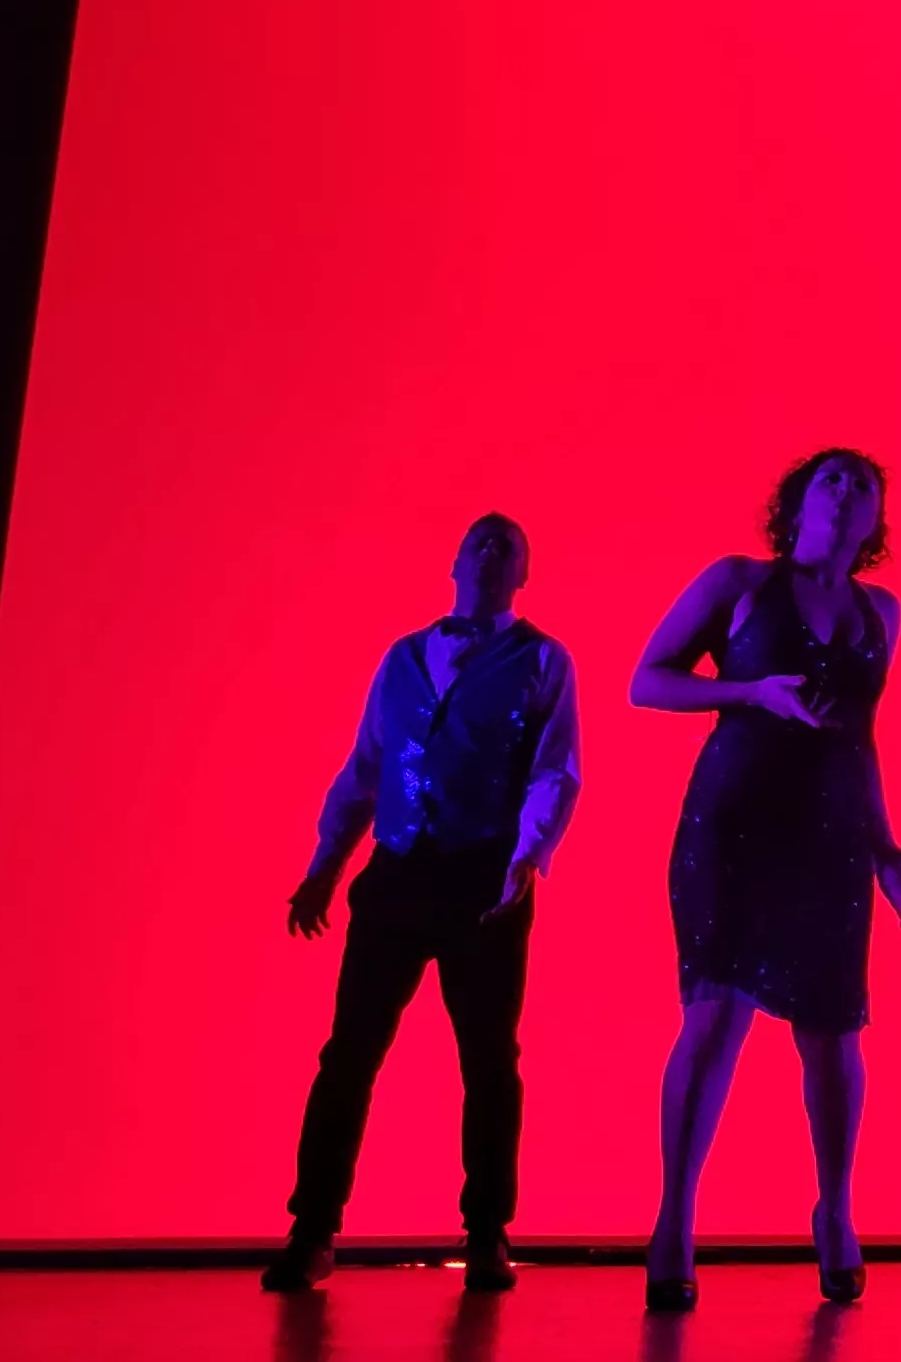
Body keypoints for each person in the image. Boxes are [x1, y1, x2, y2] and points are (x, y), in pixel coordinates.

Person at [632, 449, 901, 1311]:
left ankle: (836, 1213)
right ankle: (675, 1220)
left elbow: (859, 734)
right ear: (798, 500)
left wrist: (884, 845)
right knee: (714, 1017)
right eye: (831, 480)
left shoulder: (883, 610)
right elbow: (645, 681)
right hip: (732, 823)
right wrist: (751, 692)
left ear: (876, 519)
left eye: (863, 485)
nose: (846, 493)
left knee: (834, 1034)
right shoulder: (738, 580)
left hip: (832, 835)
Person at [264, 514, 583, 1294]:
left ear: (524, 574)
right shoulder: (403, 657)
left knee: (488, 1060)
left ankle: (486, 1233)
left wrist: (526, 856)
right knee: (348, 1053)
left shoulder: (543, 660)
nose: (492, 550)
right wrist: (323, 869)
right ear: (454, 561)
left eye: (509, 545)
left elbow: (554, 769)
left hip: (483, 881)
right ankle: (312, 1230)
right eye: (481, 540)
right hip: (398, 874)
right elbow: (366, 768)